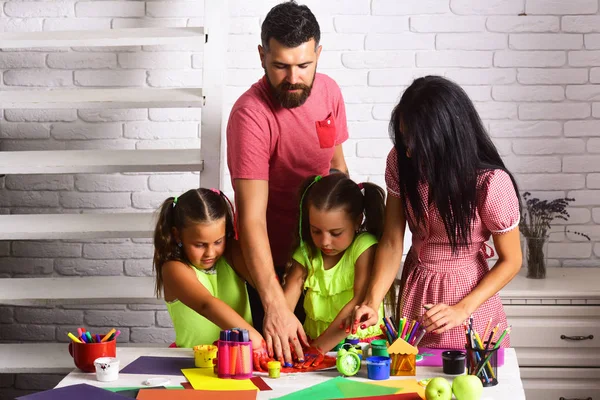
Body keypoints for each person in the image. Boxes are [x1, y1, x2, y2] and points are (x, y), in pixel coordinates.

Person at [348, 76, 522, 349]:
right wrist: (371, 301)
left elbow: (512, 260)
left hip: (467, 301)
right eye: (405, 139)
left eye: (419, 143)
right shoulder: (401, 161)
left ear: (448, 138)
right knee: (409, 381)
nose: (409, 151)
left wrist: (462, 309)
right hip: (415, 291)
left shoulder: (489, 183)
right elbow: (393, 242)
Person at [227, 0, 349, 364]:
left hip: (324, 266)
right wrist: (276, 304)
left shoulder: (328, 92)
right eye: (280, 66)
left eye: (303, 65)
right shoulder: (250, 115)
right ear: (262, 56)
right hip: (272, 273)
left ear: (319, 55)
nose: (293, 78)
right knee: (277, 373)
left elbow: (338, 171)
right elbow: (250, 219)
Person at [152, 188, 269, 368]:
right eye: (200, 245)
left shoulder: (232, 254)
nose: (211, 252)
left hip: (243, 362)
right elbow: (207, 304)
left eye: (218, 241)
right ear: (177, 235)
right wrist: (252, 337)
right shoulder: (173, 269)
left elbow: (265, 284)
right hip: (195, 364)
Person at [283, 174, 386, 364]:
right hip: (314, 346)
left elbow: (359, 300)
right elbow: (285, 305)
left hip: (360, 348)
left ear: (357, 221)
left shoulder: (364, 246)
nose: (325, 241)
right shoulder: (307, 252)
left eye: (335, 233)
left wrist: (318, 348)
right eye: (316, 231)